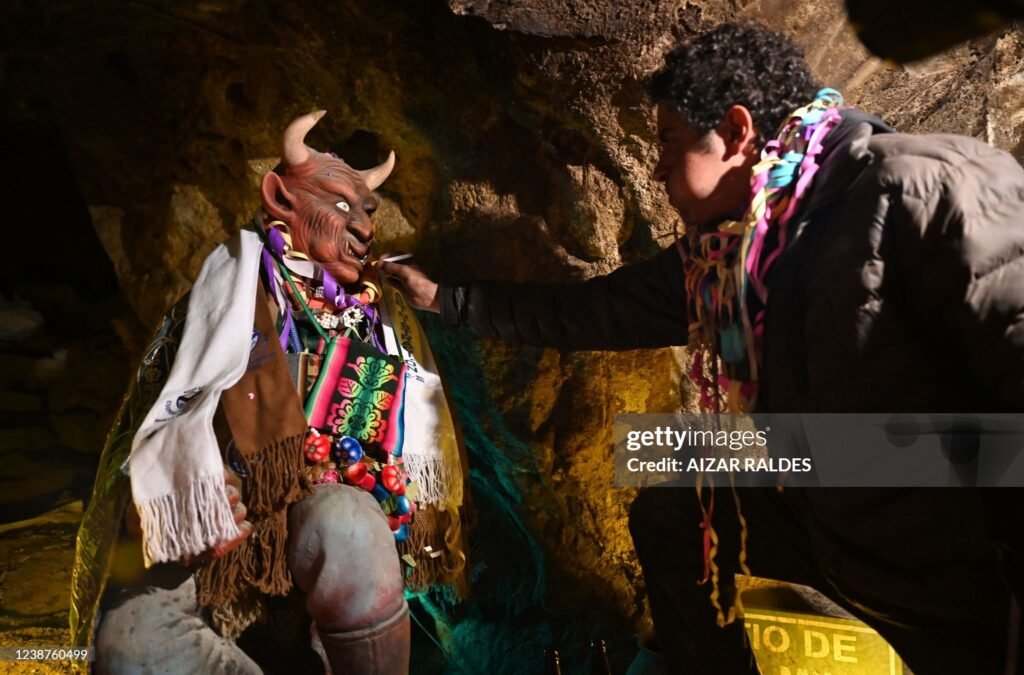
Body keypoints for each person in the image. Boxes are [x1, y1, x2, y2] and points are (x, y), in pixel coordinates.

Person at [381, 22, 1024, 674]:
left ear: (738, 132)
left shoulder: (922, 188)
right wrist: (445, 298)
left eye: (668, 140)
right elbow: (596, 310)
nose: (656, 164)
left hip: (958, 574)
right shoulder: (735, 251)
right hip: (842, 520)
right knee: (671, 504)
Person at [71, 111, 469, 675]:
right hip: (221, 533)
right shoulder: (226, 293)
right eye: (338, 206)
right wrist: (196, 492)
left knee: (351, 528)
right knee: (132, 640)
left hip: (321, 517)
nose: (362, 227)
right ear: (280, 198)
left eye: (367, 212)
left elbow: (403, 450)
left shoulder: (383, 317)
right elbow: (171, 414)